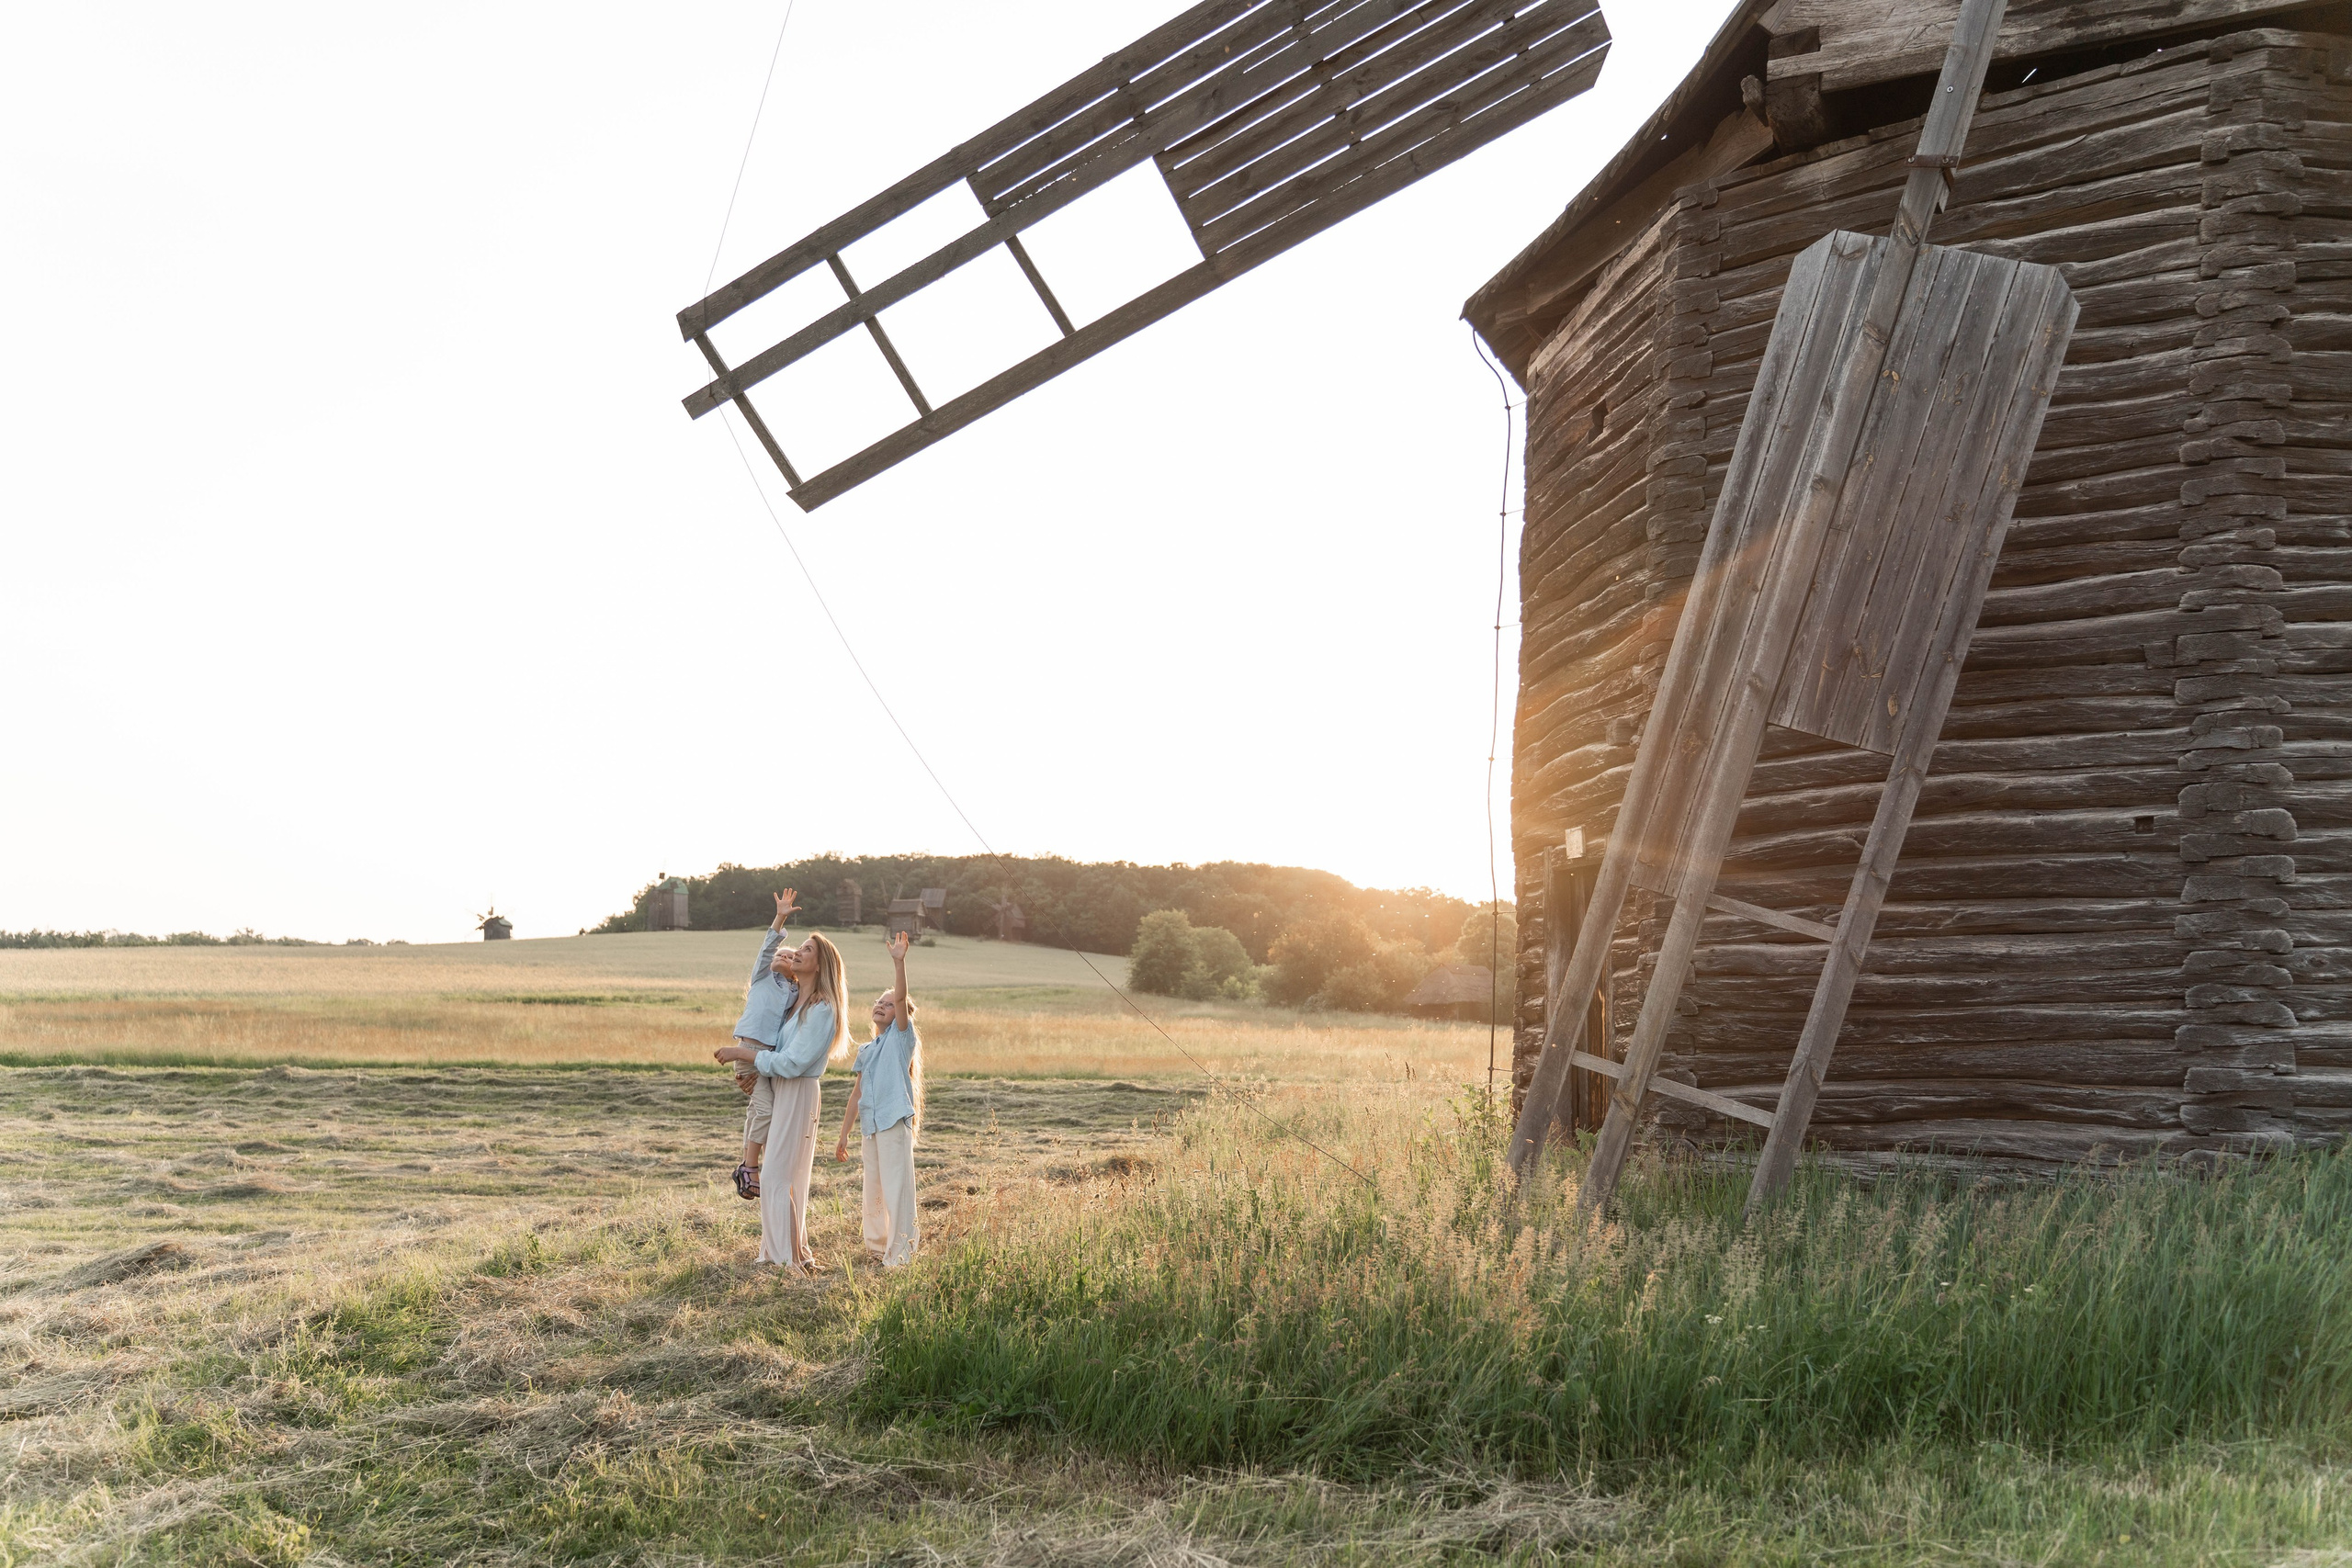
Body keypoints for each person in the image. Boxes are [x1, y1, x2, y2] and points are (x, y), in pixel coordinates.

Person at [716, 930, 852, 1271]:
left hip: (798, 1090)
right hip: (781, 1087)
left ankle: (790, 1258)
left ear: (821, 965)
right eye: (798, 949)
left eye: (807, 950)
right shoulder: (794, 1005)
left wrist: (742, 1053)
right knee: (782, 1176)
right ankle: (789, 1255)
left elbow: (794, 1063)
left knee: (779, 1176)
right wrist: (758, 1071)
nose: (798, 954)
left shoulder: (822, 1009)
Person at [834, 930, 924, 1268]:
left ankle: (901, 1254)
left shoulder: (902, 1038)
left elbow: (901, 1000)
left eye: (889, 1004)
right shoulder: (868, 1049)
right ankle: (877, 1247)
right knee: (874, 1188)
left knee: (897, 1189)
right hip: (870, 1127)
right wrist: (844, 1133)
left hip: (892, 1119)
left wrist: (899, 964)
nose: (883, 1006)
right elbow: (856, 1094)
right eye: (879, 1002)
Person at [726, 891, 802, 1201]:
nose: (784, 957)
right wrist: (781, 916)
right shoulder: (762, 978)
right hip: (748, 1053)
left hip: (768, 1059)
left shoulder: (794, 991)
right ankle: (749, 1166)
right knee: (766, 1111)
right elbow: (769, 944)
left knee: (757, 1110)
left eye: (791, 956)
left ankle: (749, 1161)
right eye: (781, 955)